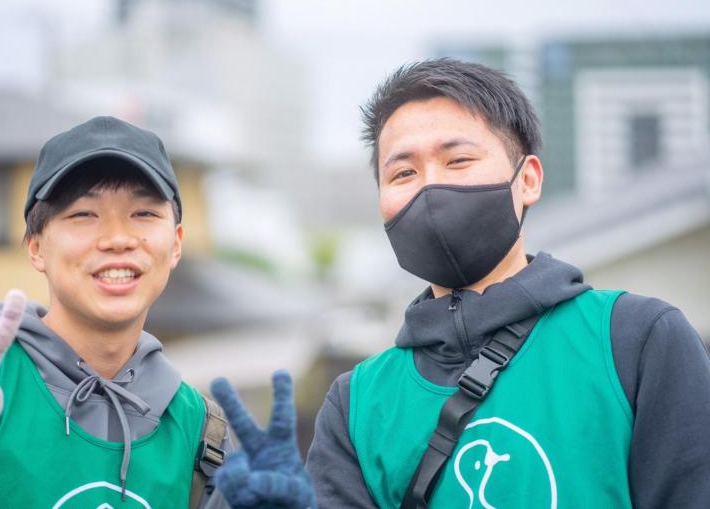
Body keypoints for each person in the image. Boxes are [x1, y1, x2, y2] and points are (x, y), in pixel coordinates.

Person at [210, 58, 710, 508]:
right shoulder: (358, 401)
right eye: (403, 172)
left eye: (458, 160)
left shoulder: (637, 340)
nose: (430, 187)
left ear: (528, 178)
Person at [0, 116, 229, 508]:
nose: (117, 239)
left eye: (144, 214)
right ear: (35, 247)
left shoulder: (202, 430)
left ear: (176, 243)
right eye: (83, 215)